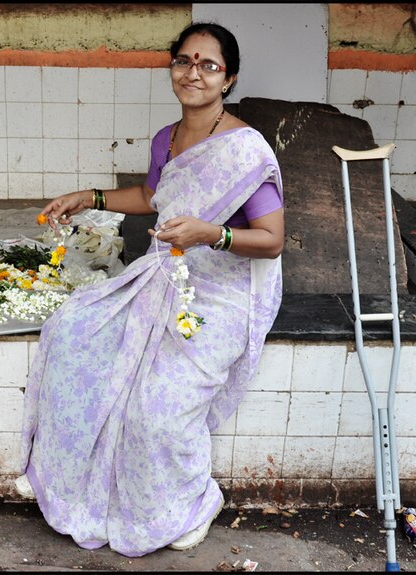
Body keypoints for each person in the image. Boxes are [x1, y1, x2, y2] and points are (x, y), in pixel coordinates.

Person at [16, 21, 285, 557]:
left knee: (157, 408)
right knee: (72, 335)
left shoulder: (245, 148)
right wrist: (88, 196)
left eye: (208, 65)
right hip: (162, 273)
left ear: (227, 79)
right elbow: (152, 196)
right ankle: (62, 476)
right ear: (172, 69)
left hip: (220, 292)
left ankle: (191, 505)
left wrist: (214, 234)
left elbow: (273, 241)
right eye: (184, 61)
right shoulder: (168, 137)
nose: (194, 73)